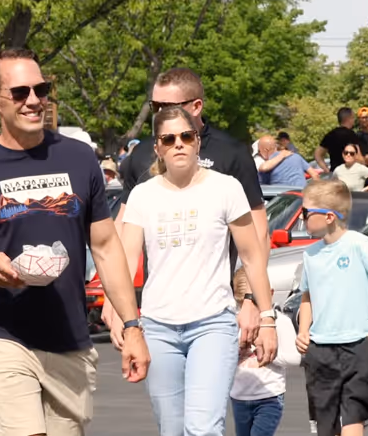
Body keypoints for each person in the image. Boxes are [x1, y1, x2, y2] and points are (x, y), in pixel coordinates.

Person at [0, 48, 150, 436]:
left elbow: (105, 246)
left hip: (70, 338)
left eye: (40, 89)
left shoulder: (79, 158)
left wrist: (132, 326)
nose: (33, 100)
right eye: (19, 92)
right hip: (4, 337)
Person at [118, 106, 276, 436]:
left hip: (212, 325)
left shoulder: (226, 188)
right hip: (158, 328)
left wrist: (266, 317)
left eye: (186, 136)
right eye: (169, 138)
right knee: (172, 429)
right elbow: (125, 259)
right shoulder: (143, 195)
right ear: (158, 147)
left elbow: (251, 255)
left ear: (197, 143)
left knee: (203, 429)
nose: (179, 144)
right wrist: (121, 314)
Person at [108, 67, 267, 353]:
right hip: (159, 313)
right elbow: (122, 228)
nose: (159, 114)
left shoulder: (231, 154)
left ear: (196, 106)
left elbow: (259, 234)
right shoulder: (143, 154)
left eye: (167, 106)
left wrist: (253, 301)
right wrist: (113, 297)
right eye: (155, 107)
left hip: (215, 309)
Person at [295, 179, 368, 436]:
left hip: (359, 346)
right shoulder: (310, 253)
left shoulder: (358, 245)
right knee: (326, 426)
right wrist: (304, 330)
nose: (301, 219)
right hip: (321, 350)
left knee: (352, 418)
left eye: (305, 213)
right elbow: (307, 297)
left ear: (328, 217)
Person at [229, 274, 300, 436]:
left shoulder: (279, 321)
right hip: (239, 397)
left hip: (269, 397)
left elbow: (294, 357)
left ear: (271, 293)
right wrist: (238, 350)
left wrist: (268, 351)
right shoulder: (234, 323)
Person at [314, 107, 359, 173]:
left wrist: (326, 169)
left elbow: (317, 154)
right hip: (350, 172)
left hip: (335, 172)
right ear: (348, 119)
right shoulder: (351, 135)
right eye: (353, 118)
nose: (354, 120)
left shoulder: (330, 135)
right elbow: (358, 157)